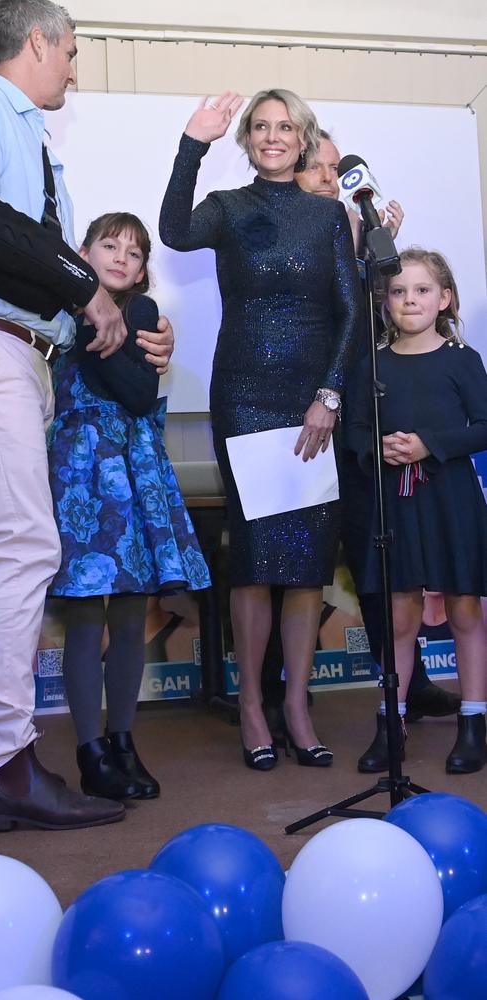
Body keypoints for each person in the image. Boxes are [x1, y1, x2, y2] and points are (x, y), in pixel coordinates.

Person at [0, 0, 173, 832]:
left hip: (9, 353)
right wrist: (84, 284)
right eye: (71, 52)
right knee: (22, 548)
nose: (73, 67)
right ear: (39, 42)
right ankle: (8, 764)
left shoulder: (30, 138)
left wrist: (126, 333)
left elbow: (18, 260)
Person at [160, 89, 363, 770]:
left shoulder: (327, 215)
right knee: (253, 560)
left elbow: (349, 310)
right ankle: (252, 705)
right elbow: (173, 232)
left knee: (306, 565)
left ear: (303, 138)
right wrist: (194, 142)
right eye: (262, 127)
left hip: (312, 401)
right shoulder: (227, 209)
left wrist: (329, 396)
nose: (274, 137)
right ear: (247, 139)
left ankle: (297, 705)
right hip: (243, 397)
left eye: (286, 127)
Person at [257, 131, 459, 732]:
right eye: (315, 167)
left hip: (360, 422)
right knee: (287, 555)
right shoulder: (283, 235)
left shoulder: (362, 237)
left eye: (332, 166)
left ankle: (407, 681)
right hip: (295, 419)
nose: (327, 175)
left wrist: (383, 260)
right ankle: (273, 690)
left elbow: (381, 326)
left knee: (378, 551)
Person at [49, 212, 210, 800]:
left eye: (135, 253)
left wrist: (99, 335)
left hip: (129, 471)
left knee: (127, 612)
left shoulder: (140, 314)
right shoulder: (57, 311)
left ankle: (122, 740)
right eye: (108, 245)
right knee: (85, 616)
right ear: (83, 251)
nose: (121, 258)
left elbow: (140, 395)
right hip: (76, 476)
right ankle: (89, 749)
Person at [349, 248, 487, 773]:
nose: (410, 300)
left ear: (445, 299)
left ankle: (473, 722)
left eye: (423, 290)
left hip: (451, 500)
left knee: (465, 609)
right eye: (399, 291)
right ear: (385, 302)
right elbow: (355, 430)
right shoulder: (373, 365)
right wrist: (377, 447)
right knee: (400, 614)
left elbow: (483, 424)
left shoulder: (462, 361)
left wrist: (431, 443)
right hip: (397, 503)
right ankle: (392, 724)